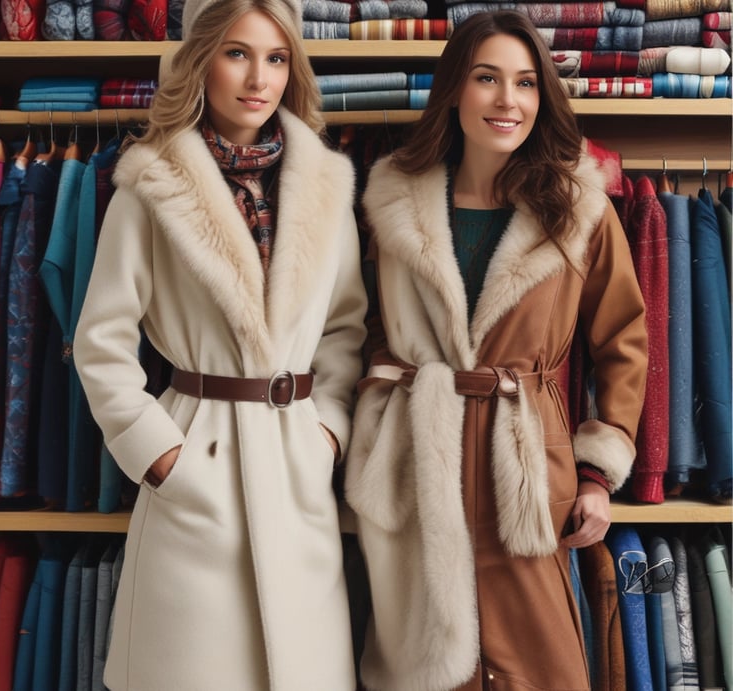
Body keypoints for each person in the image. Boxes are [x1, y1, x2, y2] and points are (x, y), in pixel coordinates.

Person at [344, 9, 649, 691]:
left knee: (545, 668)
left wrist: (598, 472)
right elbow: (357, 327)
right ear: (455, 88)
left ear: (542, 97)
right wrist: (369, 427)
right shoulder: (389, 199)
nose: (508, 101)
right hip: (416, 463)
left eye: (525, 82)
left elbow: (624, 339)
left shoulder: (577, 207)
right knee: (420, 664)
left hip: (528, 469)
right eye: (487, 79)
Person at [73, 0, 367, 687]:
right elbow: (101, 344)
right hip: (194, 461)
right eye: (236, 53)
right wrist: (163, 457)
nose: (258, 77)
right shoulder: (150, 186)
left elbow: (345, 331)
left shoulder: (325, 187)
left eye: (275, 57)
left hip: (295, 462)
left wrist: (324, 434)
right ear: (200, 61)